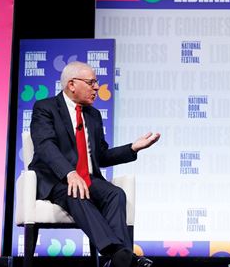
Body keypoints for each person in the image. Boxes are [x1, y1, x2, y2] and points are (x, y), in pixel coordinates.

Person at [29, 61, 160, 267]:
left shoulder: (93, 115)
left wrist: (132, 148)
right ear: (72, 84)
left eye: (96, 83)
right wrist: (69, 173)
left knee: (116, 194)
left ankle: (117, 260)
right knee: (76, 192)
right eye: (91, 83)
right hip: (57, 180)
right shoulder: (45, 108)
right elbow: (45, 146)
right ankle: (119, 254)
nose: (97, 87)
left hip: (88, 178)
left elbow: (101, 156)